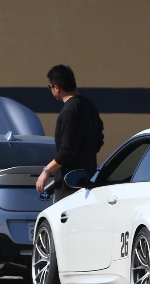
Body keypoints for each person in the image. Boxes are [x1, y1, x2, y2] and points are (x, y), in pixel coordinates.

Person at [36, 65, 104, 202]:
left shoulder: (69, 112)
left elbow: (67, 151)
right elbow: (98, 141)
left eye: (50, 87)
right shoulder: (89, 107)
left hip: (69, 185)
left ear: (56, 88)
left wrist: (46, 171)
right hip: (88, 181)